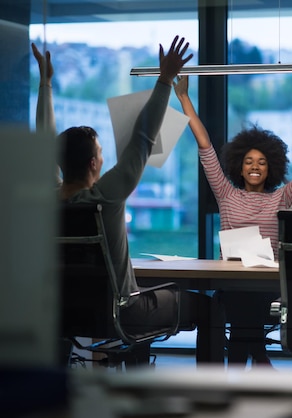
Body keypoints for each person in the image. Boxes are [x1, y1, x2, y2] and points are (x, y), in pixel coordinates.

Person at [34, 37, 218, 365]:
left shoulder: (49, 203)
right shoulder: (105, 195)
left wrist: (46, 83)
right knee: (210, 307)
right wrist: (164, 80)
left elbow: (44, 143)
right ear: (93, 163)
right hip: (122, 311)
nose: (104, 158)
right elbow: (143, 139)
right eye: (101, 153)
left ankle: (132, 379)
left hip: (64, 312)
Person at [174, 76, 292, 366]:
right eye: (249, 161)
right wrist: (183, 98)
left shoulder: (281, 198)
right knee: (238, 306)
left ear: (271, 167)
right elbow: (205, 147)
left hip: (267, 289)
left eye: (262, 162)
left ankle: (248, 365)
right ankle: (258, 361)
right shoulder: (226, 193)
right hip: (233, 286)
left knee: (243, 314)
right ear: (239, 165)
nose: (254, 166)